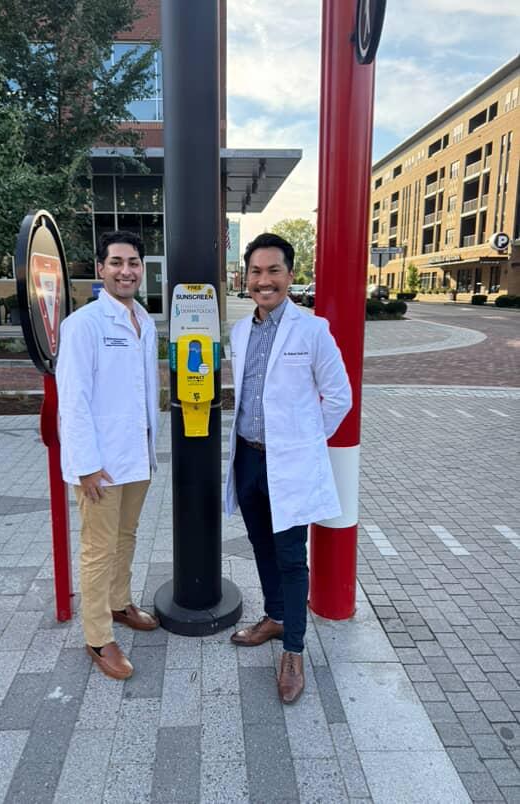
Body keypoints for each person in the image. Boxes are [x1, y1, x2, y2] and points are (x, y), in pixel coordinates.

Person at [224, 232, 352, 704]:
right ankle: (275, 617)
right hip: (248, 459)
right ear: (247, 278)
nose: (264, 280)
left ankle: (294, 651)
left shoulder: (312, 330)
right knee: (260, 544)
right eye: (255, 272)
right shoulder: (240, 331)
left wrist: (302, 442)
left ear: (290, 276)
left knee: (292, 557)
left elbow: (340, 397)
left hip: (288, 463)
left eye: (273, 271)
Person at [56, 230, 159, 681]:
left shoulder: (146, 321)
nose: (126, 270)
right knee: (98, 549)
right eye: (116, 262)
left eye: (133, 262)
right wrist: (86, 466)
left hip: (137, 456)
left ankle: (119, 604)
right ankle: (98, 637)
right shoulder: (83, 325)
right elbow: (72, 401)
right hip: (99, 465)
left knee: (126, 537)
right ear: (100, 269)